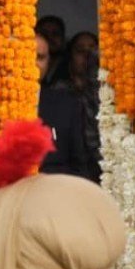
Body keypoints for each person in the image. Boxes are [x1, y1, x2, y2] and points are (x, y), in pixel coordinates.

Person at [35, 34, 96, 180]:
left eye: (40, 57)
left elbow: (79, 164)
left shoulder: (67, 104)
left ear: (49, 62)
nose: (32, 63)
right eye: (25, 56)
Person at [36, 14, 67, 86]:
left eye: (55, 34)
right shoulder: (24, 64)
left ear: (63, 39)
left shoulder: (70, 67)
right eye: (44, 33)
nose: (49, 37)